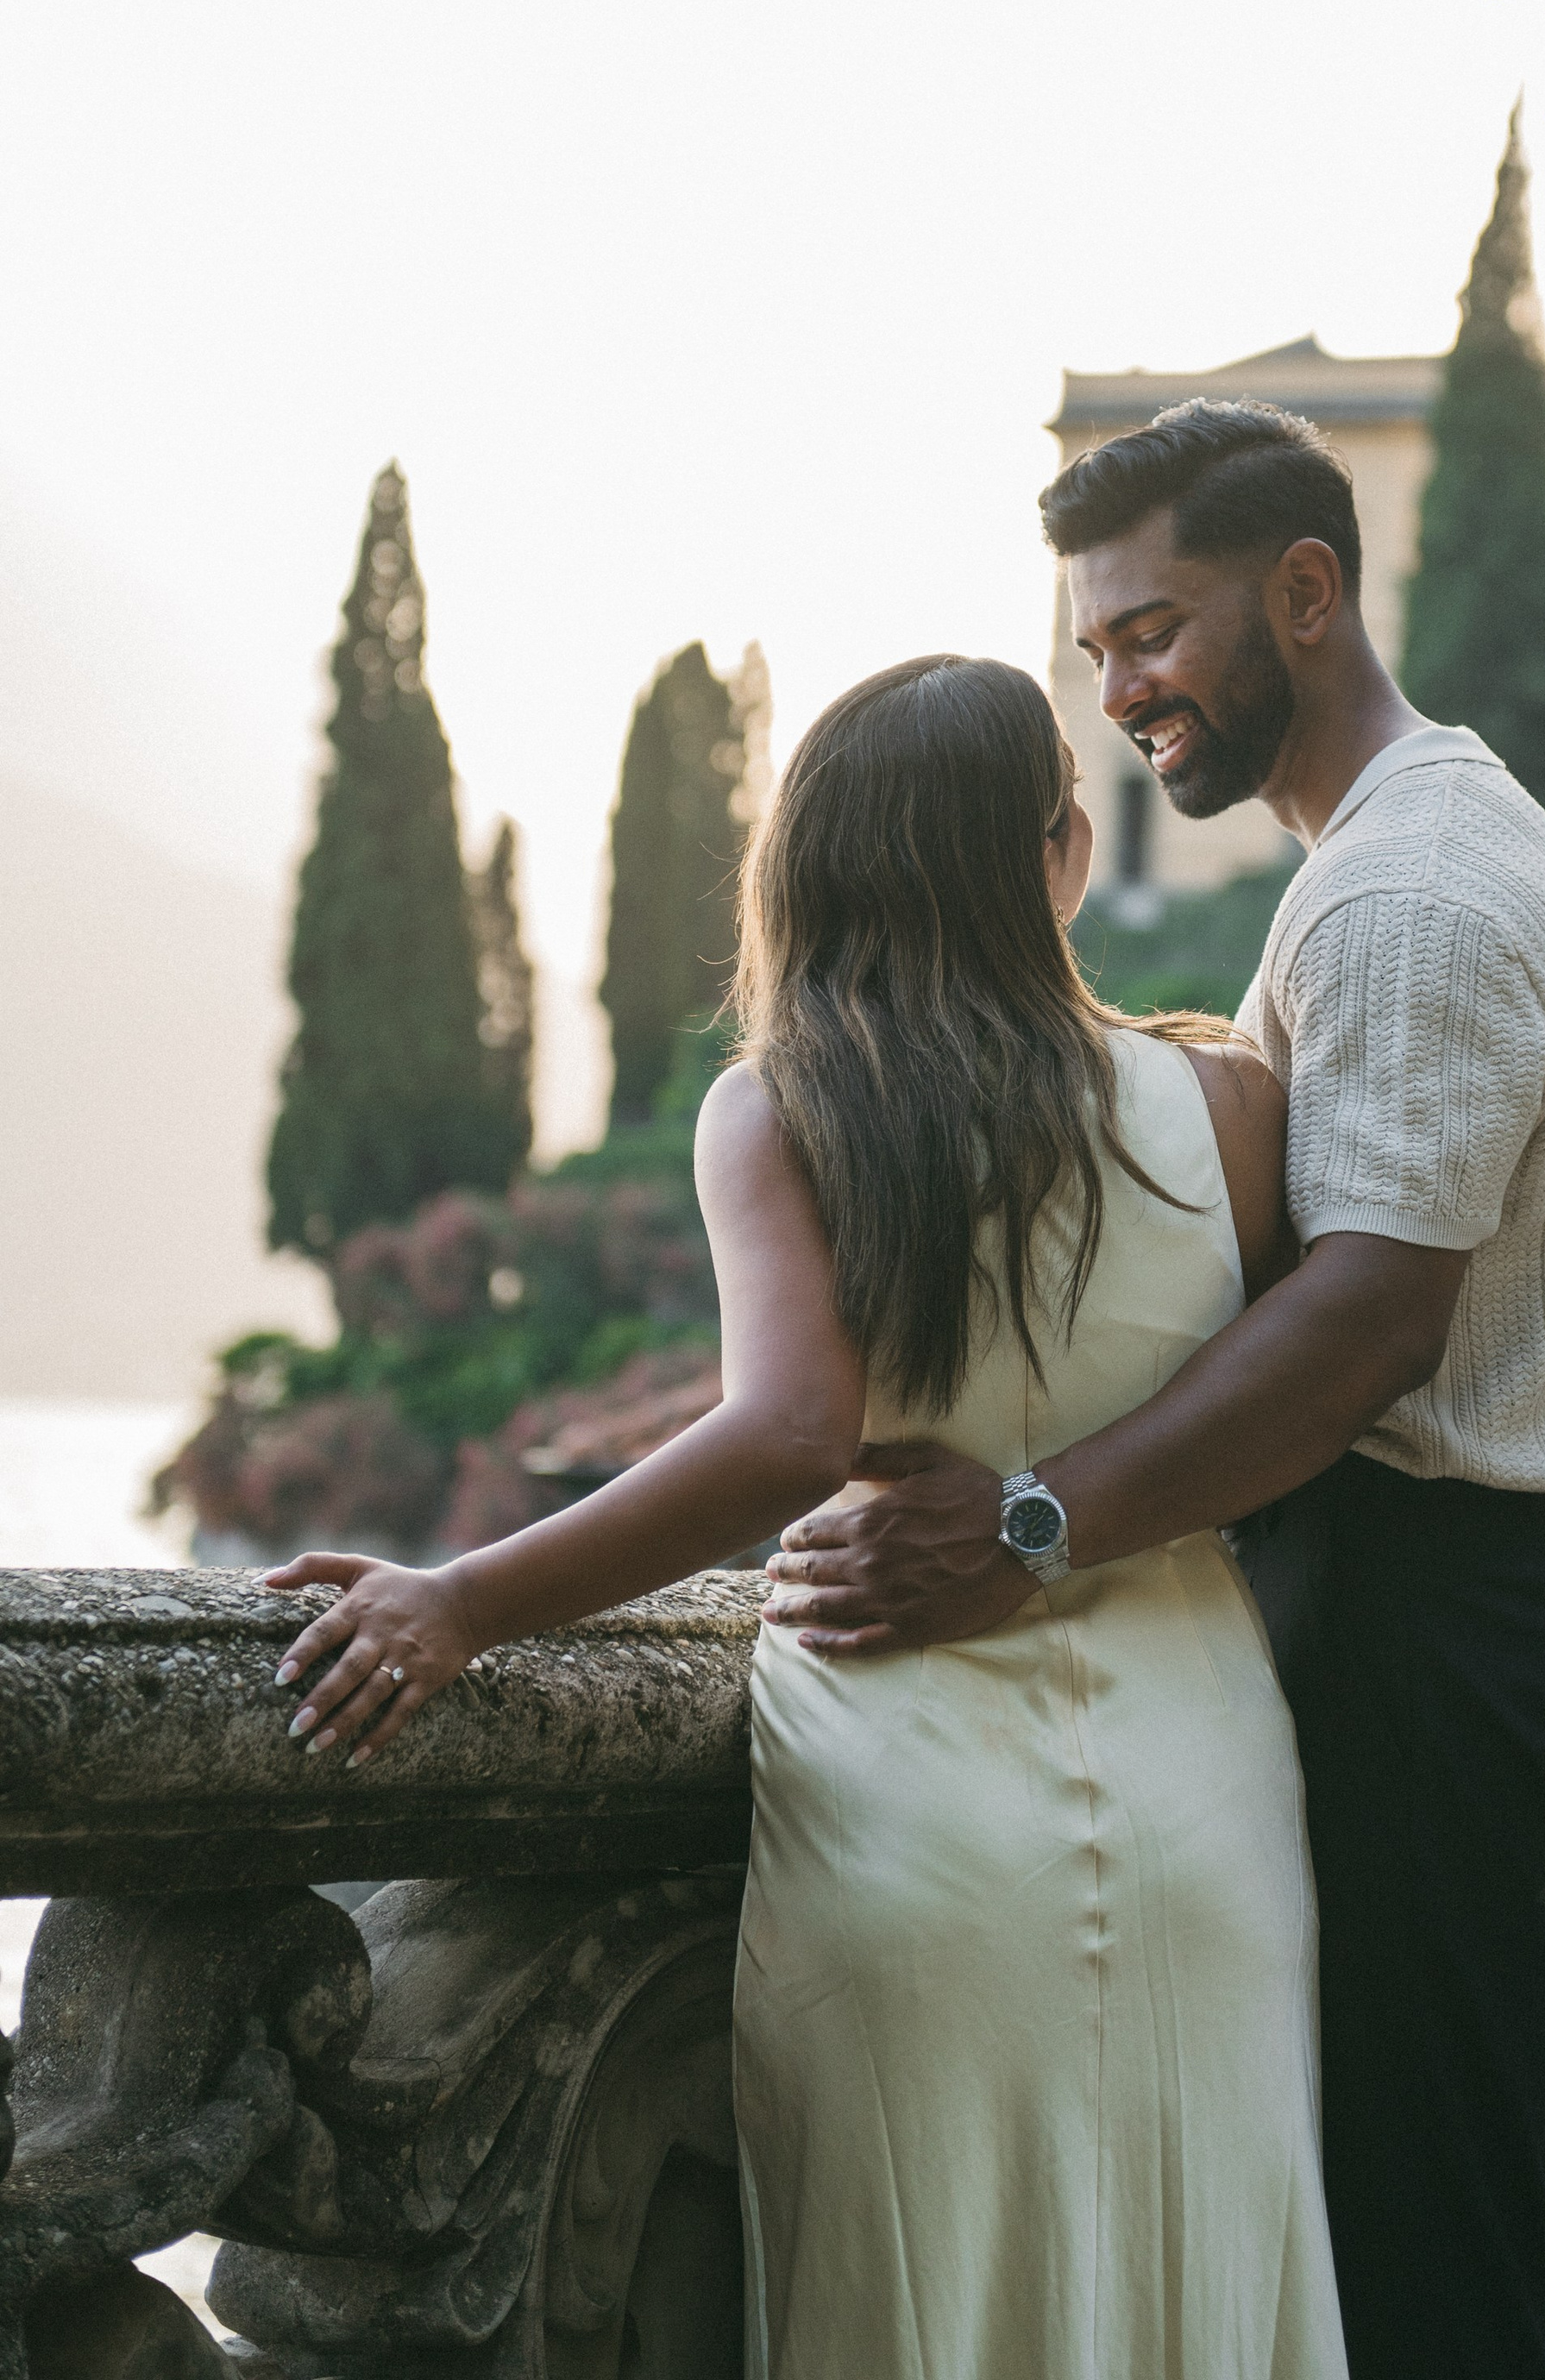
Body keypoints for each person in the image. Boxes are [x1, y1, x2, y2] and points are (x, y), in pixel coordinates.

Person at [263, 653, 1348, 2380]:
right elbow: (1293, 1415)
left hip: (908, 1787)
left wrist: (461, 1600)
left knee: (918, 2297)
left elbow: (785, 1435)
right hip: (1196, 1784)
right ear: (1056, 851)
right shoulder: (1228, 1108)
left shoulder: (780, 1108)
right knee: (1190, 2274)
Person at [765, 401, 1545, 2380]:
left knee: (1434, 2264)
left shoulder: (1403, 899)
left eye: (1150, 631)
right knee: (1402, 2233)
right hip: (1437, 1607)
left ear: (1306, 595)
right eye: (1094, 651)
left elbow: (1359, 1328)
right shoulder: (1403, 843)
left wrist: (1023, 1524)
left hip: (1440, 1615)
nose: (1120, 690)